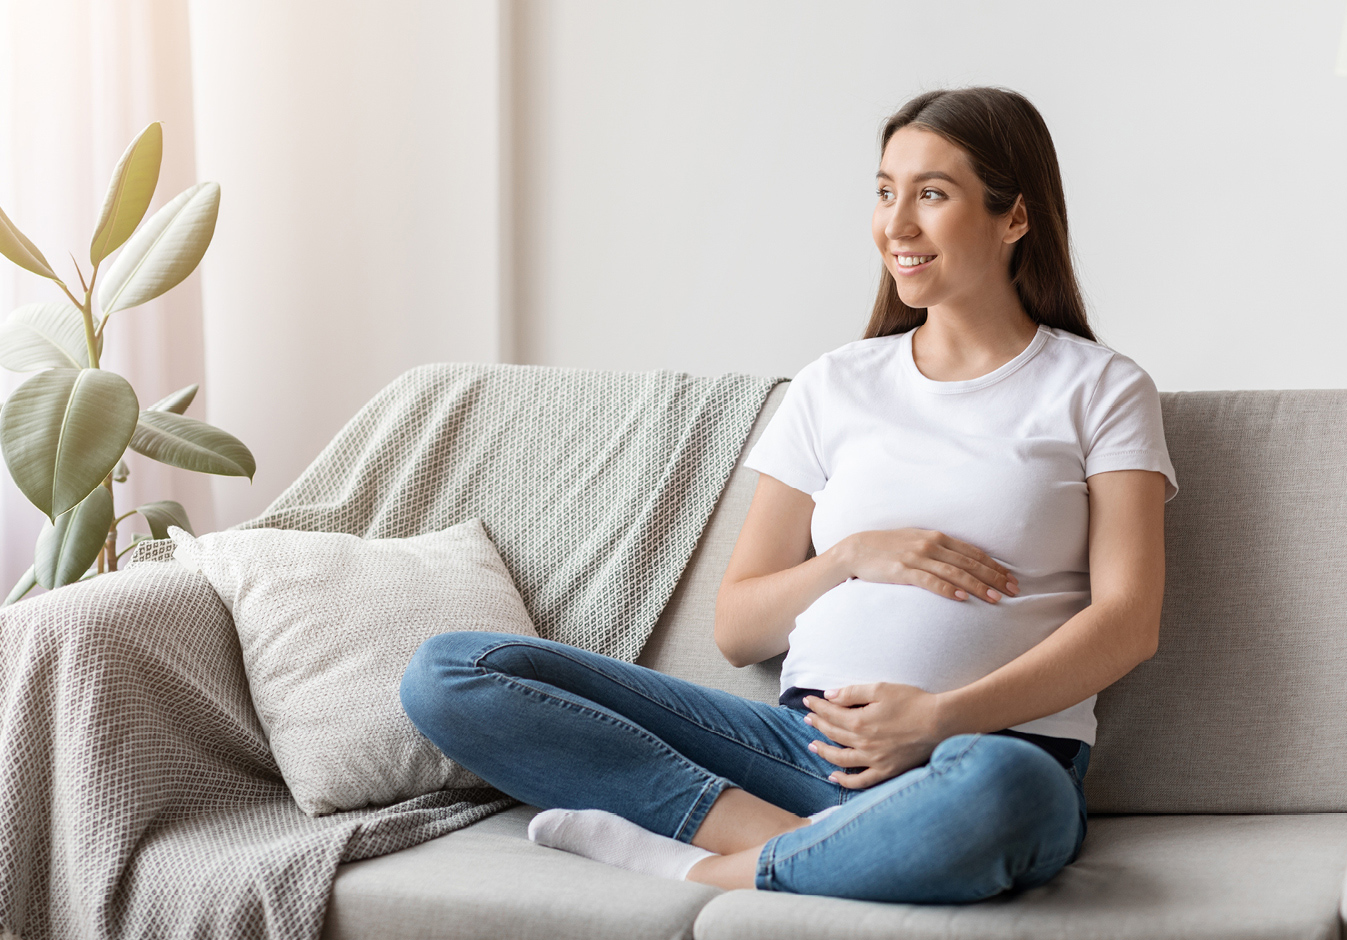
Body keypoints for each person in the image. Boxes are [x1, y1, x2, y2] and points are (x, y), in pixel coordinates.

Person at [400, 86, 1176, 904]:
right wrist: (846, 558)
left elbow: (1129, 622)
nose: (897, 224)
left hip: (986, 753)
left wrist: (940, 719)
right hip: (796, 749)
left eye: (932, 194)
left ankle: (699, 867)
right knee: (450, 672)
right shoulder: (835, 384)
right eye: (884, 191)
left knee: (1005, 796)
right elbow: (738, 629)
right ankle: (819, 847)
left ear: (1015, 217)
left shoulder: (1101, 388)